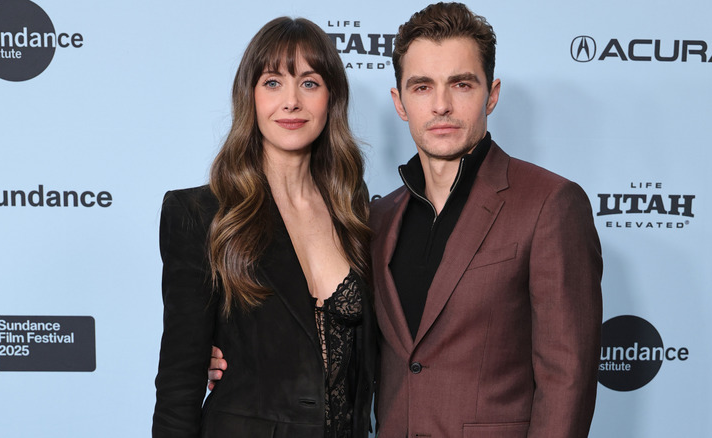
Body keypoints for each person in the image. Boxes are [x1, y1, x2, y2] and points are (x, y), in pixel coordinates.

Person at [210, 3, 602, 437]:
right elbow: (334, 333)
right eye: (421, 87)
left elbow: (567, 376)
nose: (441, 106)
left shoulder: (550, 203)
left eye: (462, 84)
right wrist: (235, 358)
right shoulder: (375, 219)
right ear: (399, 102)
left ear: (492, 93)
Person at [152, 16, 376, 438]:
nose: (291, 102)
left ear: (331, 98)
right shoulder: (200, 213)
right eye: (273, 82)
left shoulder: (354, 209)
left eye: (309, 83)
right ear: (250, 96)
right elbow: (178, 388)